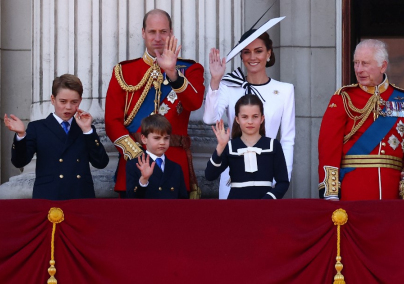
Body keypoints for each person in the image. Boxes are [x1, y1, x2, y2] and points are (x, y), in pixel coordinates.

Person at [105, 9, 205, 198]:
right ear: (143, 33)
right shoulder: (123, 71)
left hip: (175, 165)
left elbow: (194, 103)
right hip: (135, 164)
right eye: (152, 32)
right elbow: (112, 121)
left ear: (171, 32)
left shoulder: (191, 70)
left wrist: (173, 74)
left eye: (163, 31)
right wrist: (137, 156)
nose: (158, 37)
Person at [203, 20, 295, 199]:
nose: (253, 57)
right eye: (247, 52)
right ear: (241, 56)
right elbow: (209, 118)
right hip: (233, 177)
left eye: (258, 51)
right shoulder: (229, 85)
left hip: (267, 180)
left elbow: (287, 140)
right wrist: (215, 80)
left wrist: (280, 183)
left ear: (268, 53)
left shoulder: (285, 90)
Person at [318, 39, 404, 200]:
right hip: (354, 188)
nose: (359, 69)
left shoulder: (400, 99)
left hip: (392, 190)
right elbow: (328, 147)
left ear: (383, 66)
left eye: (365, 63)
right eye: (356, 63)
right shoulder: (344, 98)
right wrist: (330, 193)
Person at [3, 74, 109, 200]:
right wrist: (21, 135)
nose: (68, 107)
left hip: (80, 196)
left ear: (80, 101)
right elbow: (19, 161)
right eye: (63, 101)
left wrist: (87, 130)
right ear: (53, 99)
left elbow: (101, 163)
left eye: (74, 102)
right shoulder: (37, 127)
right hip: (49, 197)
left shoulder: (84, 128)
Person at [205, 95, 289, 199]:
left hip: (265, 208)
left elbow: (283, 182)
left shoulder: (273, 145)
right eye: (244, 117)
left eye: (255, 116)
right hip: (236, 208)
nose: (250, 121)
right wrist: (221, 146)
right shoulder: (230, 146)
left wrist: (269, 198)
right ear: (237, 119)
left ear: (262, 118)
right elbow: (209, 176)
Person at [126, 114, 188, 199]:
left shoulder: (176, 168)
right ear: (144, 139)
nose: (162, 142)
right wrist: (144, 179)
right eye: (157, 138)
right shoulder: (135, 164)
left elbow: (183, 200)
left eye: (166, 138)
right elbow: (131, 198)